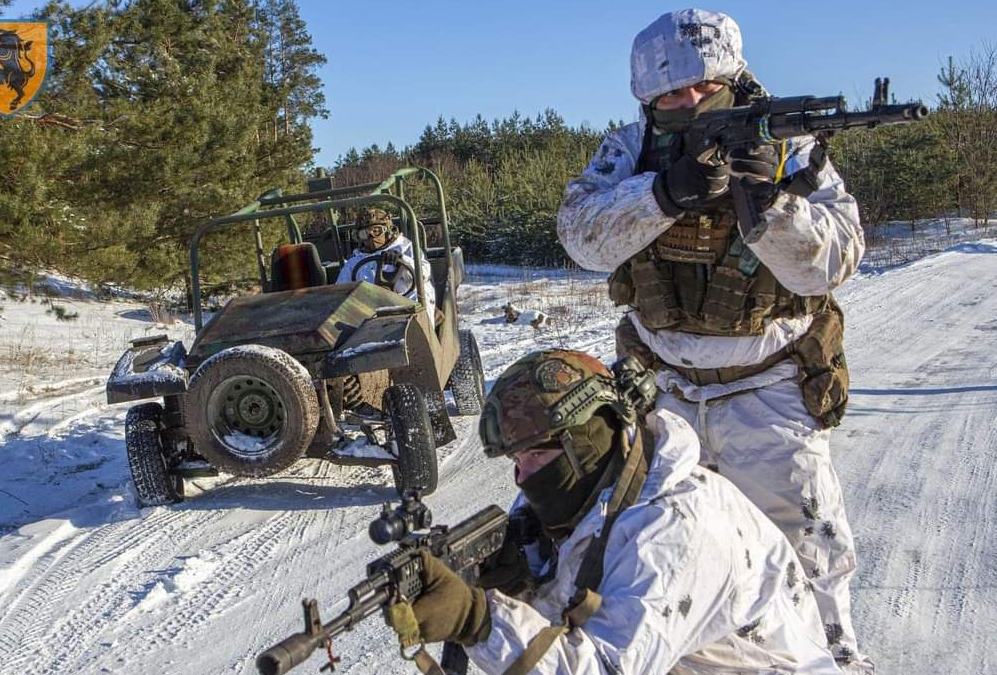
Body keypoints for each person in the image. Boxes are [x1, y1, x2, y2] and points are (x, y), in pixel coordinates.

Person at [555, 10, 869, 672]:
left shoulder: (789, 139)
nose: (691, 103)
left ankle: (832, 659)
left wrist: (773, 207)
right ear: (648, 98)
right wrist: (662, 194)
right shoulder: (629, 150)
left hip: (770, 391)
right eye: (673, 94)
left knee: (808, 548)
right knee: (656, 551)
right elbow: (580, 234)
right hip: (662, 389)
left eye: (705, 87)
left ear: (733, 75)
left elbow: (837, 258)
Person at [385, 349, 844, 675]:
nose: (522, 477)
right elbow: (577, 604)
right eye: (515, 460)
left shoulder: (675, 528)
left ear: (591, 439)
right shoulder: (597, 492)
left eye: (535, 455)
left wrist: (477, 620)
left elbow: (605, 663)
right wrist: (522, 582)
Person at [337, 207, 436, 324]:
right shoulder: (355, 260)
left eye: (376, 231)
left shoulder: (404, 247)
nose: (371, 237)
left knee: (421, 293)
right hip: (370, 309)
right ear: (359, 237)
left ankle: (425, 332)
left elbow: (424, 271)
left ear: (388, 230)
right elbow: (340, 290)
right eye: (364, 234)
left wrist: (402, 260)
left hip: (406, 300)